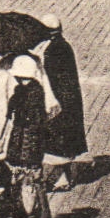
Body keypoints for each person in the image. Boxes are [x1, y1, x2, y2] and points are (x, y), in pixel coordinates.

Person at [2, 55, 56, 218]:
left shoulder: (21, 92)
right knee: (36, 185)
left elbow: (11, 115)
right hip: (34, 144)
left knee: (18, 184)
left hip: (19, 143)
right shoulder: (37, 91)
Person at [35, 14, 87, 193]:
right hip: (69, 100)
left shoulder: (52, 51)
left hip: (58, 102)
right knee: (64, 142)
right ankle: (67, 175)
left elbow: (50, 78)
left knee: (58, 141)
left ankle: (63, 178)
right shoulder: (63, 46)